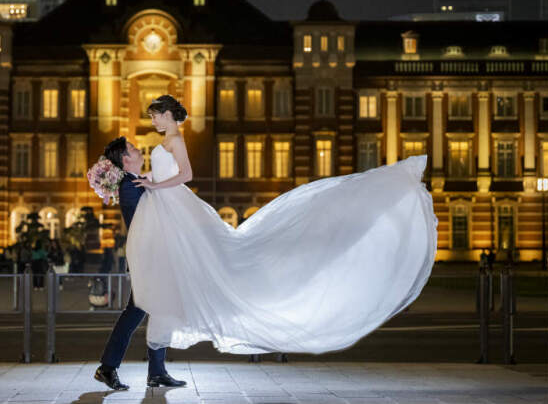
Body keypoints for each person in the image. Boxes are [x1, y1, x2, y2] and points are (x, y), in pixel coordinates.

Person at [106, 94, 437, 357]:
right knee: (181, 280)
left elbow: (186, 176)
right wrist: (149, 179)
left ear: (167, 115)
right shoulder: (161, 146)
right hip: (170, 210)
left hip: (176, 205)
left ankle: (145, 365)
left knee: (210, 262)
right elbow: (164, 175)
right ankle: (154, 367)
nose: (151, 120)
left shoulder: (176, 142)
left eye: (154, 115)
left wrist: (154, 186)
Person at [92, 136, 187, 391]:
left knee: (149, 310)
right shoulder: (130, 185)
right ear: (125, 159)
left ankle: (151, 371)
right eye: (133, 148)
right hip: (147, 258)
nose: (138, 149)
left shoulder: (137, 182)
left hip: (151, 257)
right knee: (138, 311)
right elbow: (142, 223)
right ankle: (113, 368)